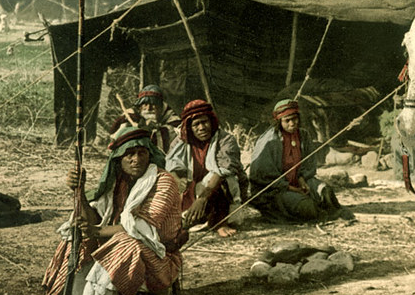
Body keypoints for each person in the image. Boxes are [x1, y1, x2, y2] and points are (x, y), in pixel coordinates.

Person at [42, 125, 185, 295]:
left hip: (159, 260)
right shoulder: (117, 183)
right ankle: (71, 292)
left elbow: (138, 229)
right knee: (75, 237)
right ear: (118, 159)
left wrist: (96, 232)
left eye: (142, 153)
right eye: (130, 155)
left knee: (126, 243)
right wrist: (79, 191)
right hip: (120, 247)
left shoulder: (163, 182)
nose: (137, 160)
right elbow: (95, 220)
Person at [247, 99, 345, 222]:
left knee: (325, 191)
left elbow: (309, 164)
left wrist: (302, 178)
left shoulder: (303, 135)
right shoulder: (269, 141)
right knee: (306, 206)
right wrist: (291, 188)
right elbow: (263, 176)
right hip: (275, 191)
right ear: (278, 121)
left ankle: (319, 210)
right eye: (287, 120)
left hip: (299, 182)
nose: (292, 123)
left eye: (295, 118)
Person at [165, 99, 247, 238]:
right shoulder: (181, 142)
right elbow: (172, 165)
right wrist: (178, 180)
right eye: (196, 124)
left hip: (220, 192)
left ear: (212, 122)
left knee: (223, 179)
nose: (202, 127)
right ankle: (193, 217)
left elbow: (221, 173)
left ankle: (221, 222)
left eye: (205, 122)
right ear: (189, 127)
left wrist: (201, 199)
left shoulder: (225, 140)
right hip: (194, 191)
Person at [110, 84, 180, 152]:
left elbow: (177, 131)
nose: (149, 108)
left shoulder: (170, 115)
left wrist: (156, 129)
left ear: (160, 107)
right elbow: (117, 136)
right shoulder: (130, 116)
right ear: (140, 107)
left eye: (153, 104)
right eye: (145, 104)